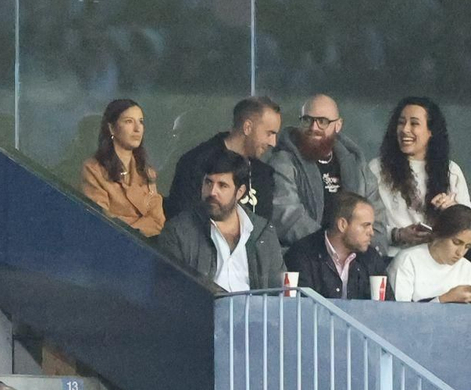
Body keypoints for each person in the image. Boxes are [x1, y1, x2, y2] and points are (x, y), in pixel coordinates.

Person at [155, 145, 286, 292]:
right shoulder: (178, 231)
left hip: (254, 307)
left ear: (240, 192)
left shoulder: (263, 233)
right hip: (205, 306)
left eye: (222, 186)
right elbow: (170, 291)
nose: (212, 192)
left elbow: (280, 293)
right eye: (208, 182)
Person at [269, 94, 387, 251]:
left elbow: (376, 218)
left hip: (354, 255)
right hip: (305, 254)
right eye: (307, 120)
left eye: (322, 121)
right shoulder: (283, 161)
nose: (313, 127)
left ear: (338, 125)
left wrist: (369, 254)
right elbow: (287, 216)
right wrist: (331, 247)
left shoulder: (356, 165)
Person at [370, 97, 470, 254]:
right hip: (390, 259)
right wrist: (398, 235)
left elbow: (467, 228)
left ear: (431, 131)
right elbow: (364, 224)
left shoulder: (451, 171)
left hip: (438, 260)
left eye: (414, 123)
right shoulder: (377, 169)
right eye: (401, 122)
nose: (405, 129)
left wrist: (452, 211)